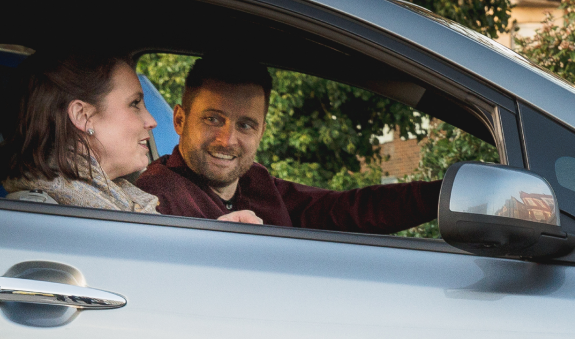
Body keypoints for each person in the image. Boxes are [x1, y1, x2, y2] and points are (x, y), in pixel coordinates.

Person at [135, 56, 441, 234]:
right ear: (179, 120)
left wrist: (443, 197)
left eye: (245, 125)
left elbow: (349, 210)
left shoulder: (258, 183)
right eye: (213, 119)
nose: (227, 140)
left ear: (261, 131)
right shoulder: (156, 197)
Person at [0, 50, 258, 222]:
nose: (152, 121)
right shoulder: (50, 219)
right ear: (82, 115)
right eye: (135, 103)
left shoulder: (104, 202)